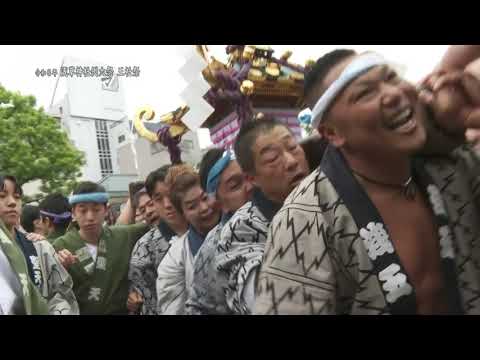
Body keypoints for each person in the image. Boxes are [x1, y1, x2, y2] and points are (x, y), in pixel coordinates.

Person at [254, 49, 480, 315]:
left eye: (392, 78)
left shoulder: (449, 165)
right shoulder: (305, 218)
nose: (393, 93)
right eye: (365, 93)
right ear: (332, 133)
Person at [213, 117, 310, 314]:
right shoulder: (242, 229)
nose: (291, 162)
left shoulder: (333, 191)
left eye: (292, 147)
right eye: (273, 159)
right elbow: (263, 300)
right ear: (251, 178)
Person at [53, 181, 149, 314]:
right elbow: (51, 291)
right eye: (83, 210)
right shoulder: (60, 246)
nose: (90, 217)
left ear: (106, 210)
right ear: (73, 213)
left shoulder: (124, 236)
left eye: (96, 210)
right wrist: (60, 268)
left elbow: (154, 224)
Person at [185, 148, 253, 315]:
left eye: (250, 176)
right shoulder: (211, 251)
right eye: (235, 185)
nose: (250, 186)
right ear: (219, 203)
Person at [0, 175, 78, 315]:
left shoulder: (39, 246)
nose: (12, 202)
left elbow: (60, 294)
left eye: (17, 197)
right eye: (2, 196)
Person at [156, 164, 221, 314]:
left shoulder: (241, 227)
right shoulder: (173, 261)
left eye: (204, 198)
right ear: (182, 213)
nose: (204, 208)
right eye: (192, 206)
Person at [127, 165, 188, 315]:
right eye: (158, 198)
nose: (167, 204)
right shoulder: (143, 250)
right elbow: (150, 303)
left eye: (170, 194)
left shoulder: (208, 224)